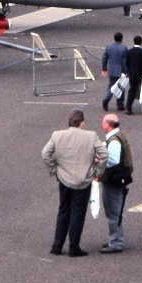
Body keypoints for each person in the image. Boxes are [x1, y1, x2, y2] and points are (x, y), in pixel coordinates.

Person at [40, 109, 106, 256]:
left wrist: (54, 170)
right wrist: (98, 172)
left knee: (63, 210)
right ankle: (74, 246)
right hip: (83, 180)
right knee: (78, 212)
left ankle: (57, 245)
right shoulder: (91, 136)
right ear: (81, 122)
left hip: (64, 178)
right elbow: (104, 154)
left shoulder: (57, 135)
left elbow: (45, 153)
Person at [99, 113, 133, 253]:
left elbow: (112, 161)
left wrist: (98, 165)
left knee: (113, 211)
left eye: (103, 122)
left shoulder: (113, 141)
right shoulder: (119, 136)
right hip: (119, 179)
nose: (102, 125)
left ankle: (116, 243)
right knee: (114, 210)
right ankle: (114, 239)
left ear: (108, 124)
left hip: (113, 180)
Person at [123, 35, 142, 115]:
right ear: (141, 42)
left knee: (132, 91)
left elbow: (126, 63)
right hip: (140, 75)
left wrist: (127, 72)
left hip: (132, 74)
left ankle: (128, 107)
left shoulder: (129, 52)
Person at [101, 32, 126, 112]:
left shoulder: (109, 47)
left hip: (111, 69)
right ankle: (120, 104)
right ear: (121, 39)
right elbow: (124, 61)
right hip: (120, 70)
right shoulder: (124, 48)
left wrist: (104, 69)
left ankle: (107, 99)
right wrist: (126, 71)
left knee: (111, 86)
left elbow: (104, 59)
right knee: (121, 87)